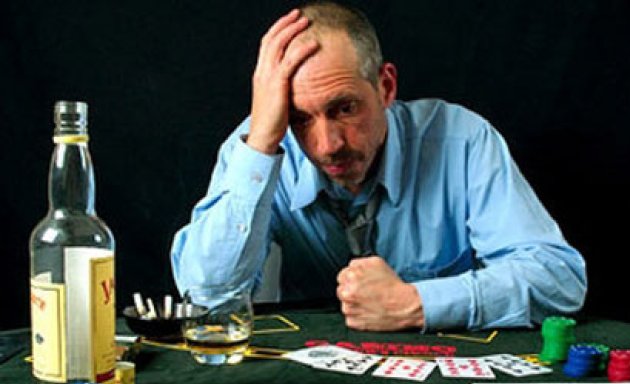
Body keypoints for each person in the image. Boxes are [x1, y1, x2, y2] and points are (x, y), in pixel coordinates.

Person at [171, 1, 587, 332]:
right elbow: (208, 299)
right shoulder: (258, 148)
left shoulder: (462, 141)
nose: (327, 145)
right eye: (300, 118)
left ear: (386, 86)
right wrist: (262, 140)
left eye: (345, 108)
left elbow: (559, 281)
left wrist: (416, 304)